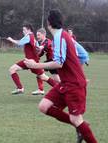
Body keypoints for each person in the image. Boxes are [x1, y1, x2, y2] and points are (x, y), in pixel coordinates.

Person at [24, 10, 97, 143]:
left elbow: (58, 63)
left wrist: (35, 65)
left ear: (48, 23)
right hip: (66, 84)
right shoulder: (63, 35)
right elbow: (83, 55)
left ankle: (81, 126)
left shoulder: (60, 37)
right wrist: (77, 73)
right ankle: (81, 126)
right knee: (44, 106)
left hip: (73, 85)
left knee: (76, 119)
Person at [7, 23, 57, 95]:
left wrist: (11, 39)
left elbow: (19, 43)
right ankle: (20, 88)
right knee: (12, 69)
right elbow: (37, 48)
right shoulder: (32, 37)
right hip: (28, 61)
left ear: (28, 30)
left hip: (32, 62)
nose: (23, 31)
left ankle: (60, 89)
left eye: (24, 30)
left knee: (43, 77)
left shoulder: (29, 36)